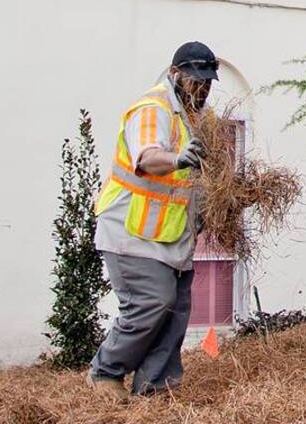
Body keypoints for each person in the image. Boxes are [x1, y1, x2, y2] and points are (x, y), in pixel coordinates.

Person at [85, 42, 219, 401]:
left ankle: (155, 389)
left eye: (207, 83)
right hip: (132, 232)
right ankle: (105, 372)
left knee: (175, 312)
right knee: (152, 302)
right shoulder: (152, 109)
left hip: (169, 235)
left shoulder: (190, 117)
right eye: (195, 81)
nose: (202, 89)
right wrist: (178, 159)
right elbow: (148, 157)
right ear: (175, 75)